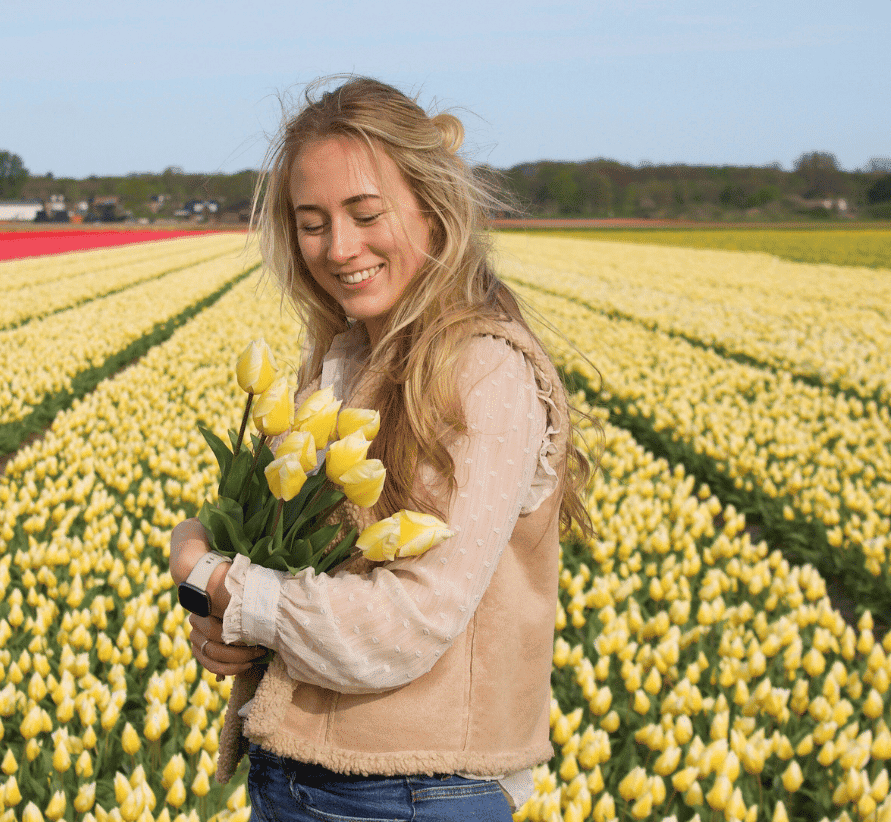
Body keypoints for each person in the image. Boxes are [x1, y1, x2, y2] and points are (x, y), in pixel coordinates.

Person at [169, 76, 596, 822]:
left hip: (409, 795)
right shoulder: (340, 359)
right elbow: (278, 553)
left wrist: (225, 585)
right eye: (311, 221)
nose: (339, 248)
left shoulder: (483, 370)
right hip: (305, 778)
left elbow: (404, 626)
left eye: (366, 214)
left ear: (433, 211)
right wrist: (202, 571)